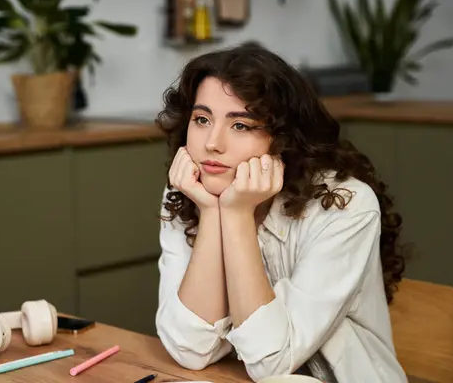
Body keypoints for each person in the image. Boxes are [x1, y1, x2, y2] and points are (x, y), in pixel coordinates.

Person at [153, 42, 408, 383]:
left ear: (283, 138)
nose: (213, 142)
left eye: (241, 125)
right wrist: (213, 214)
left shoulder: (346, 206)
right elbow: (189, 349)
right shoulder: (190, 189)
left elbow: (270, 362)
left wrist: (238, 216)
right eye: (201, 119)